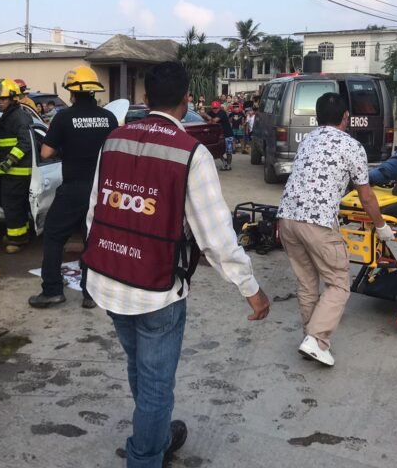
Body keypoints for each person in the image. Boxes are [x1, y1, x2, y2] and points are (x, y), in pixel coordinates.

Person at [83, 61, 270, 467]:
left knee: (140, 368)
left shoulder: (113, 141)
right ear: (187, 100)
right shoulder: (191, 153)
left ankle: (155, 434)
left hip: (109, 280)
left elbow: (96, 211)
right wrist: (250, 288)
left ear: (145, 98)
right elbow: (215, 236)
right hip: (157, 291)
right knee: (155, 384)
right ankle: (145, 456)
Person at [277, 93, 393, 367]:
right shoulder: (352, 146)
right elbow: (365, 195)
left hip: (286, 219)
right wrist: (381, 226)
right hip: (317, 222)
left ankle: (310, 339)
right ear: (346, 117)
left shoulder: (307, 140)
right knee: (339, 282)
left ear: (317, 118)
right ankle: (316, 340)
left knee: (307, 282)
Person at [28, 66, 118, 309]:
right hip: (99, 190)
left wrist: (64, 144)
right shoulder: (109, 118)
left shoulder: (64, 118)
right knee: (93, 239)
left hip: (73, 189)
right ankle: (90, 294)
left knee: (54, 235)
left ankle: (52, 290)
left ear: (72, 92)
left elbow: (46, 153)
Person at [0, 78, 34, 253]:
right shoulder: (9, 115)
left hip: (17, 171)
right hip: (12, 171)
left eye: (3, 99)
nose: (0, 102)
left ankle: (16, 240)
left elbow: (25, 143)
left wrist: (8, 162)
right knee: (18, 206)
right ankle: (22, 235)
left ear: (14, 98)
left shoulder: (19, 117)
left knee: (13, 206)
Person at [206, 100, 234, 170]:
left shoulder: (222, 112)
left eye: (216, 108)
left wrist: (208, 118)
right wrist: (206, 116)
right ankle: (224, 162)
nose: (215, 110)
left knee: (229, 151)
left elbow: (215, 120)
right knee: (218, 150)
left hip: (228, 134)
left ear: (219, 108)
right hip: (219, 135)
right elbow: (202, 115)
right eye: (213, 108)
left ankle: (229, 165)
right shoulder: (210, 112)